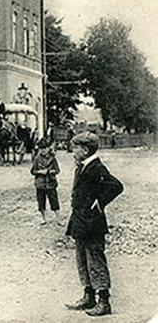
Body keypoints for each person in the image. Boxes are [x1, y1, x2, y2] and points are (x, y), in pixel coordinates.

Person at [64, 132, 124, 317]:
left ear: (85, 150)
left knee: (95, 261)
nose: (73, 151)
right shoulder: (82, 166)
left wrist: (99, 202)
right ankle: (88, 295)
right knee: (82, 259)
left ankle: (104, 301)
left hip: (92, 223)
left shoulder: (96, 168)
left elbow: (116, 186)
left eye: (76, 148)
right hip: (81, 222)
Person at [30, 137, 62, 225]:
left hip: (51, 183)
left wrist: (49, 172)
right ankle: (43, 219)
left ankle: (58, 219)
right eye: (41, 148)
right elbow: (32, 171)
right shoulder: (37, 159)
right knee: (41, 202)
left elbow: (57, 170)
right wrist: (40, 172)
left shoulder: (53, 159)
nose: (43, 150)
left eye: (45, 148)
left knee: (54, 201)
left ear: (48, 148)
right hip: (40, 184)